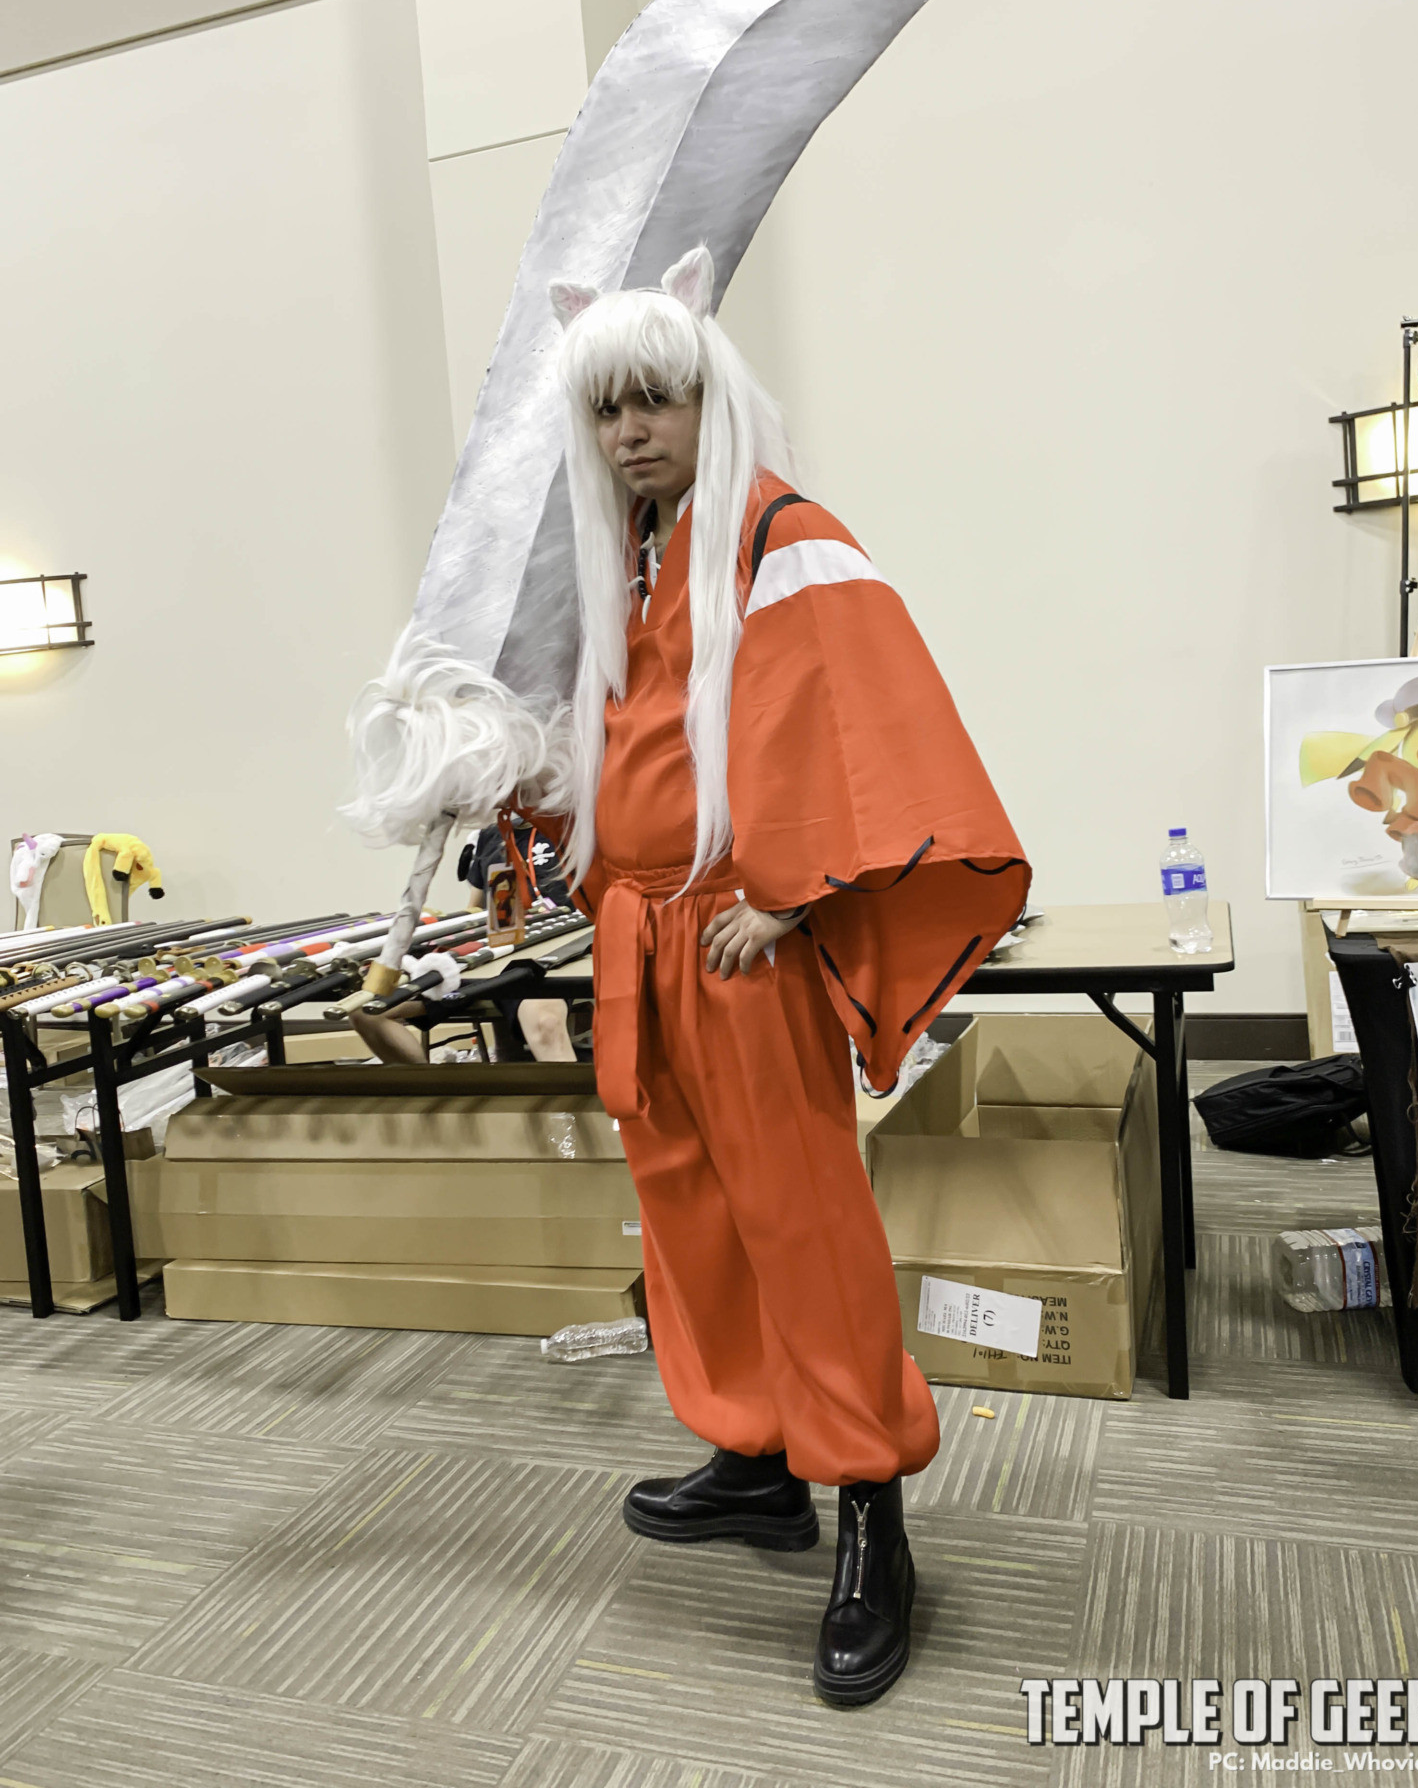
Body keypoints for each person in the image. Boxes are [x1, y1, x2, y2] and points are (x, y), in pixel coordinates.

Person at [535, 246, 1029, 1708]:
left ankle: (871, 1508)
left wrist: (797, 896)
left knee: (802, 1227)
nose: (633, 430)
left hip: (735, 947)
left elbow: (856, 715)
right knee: (690, 1219)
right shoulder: (626, 554)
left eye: (658, 398)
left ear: (711, 395)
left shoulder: (775, 531)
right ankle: (755, 1456)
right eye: (608, 408)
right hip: (640, 939)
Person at [348, 817, 577, 1065]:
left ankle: (572, 1091)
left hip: (550, 959)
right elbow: (474, 911)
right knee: (366, 1011)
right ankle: (428, 1086)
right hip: (493, 953)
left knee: (545, 1022)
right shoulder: (490, 836)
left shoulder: (574, 827)